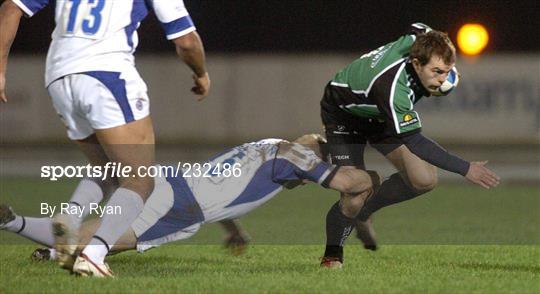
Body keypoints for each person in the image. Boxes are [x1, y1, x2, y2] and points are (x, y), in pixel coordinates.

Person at [0, 0, 211, 277]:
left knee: (107, 169)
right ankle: (94, 254)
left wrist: (1, 68)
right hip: (107, 74)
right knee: (139, 180)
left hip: (59, 77)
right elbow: (186, 41)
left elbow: (10, 8)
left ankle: (70, 219)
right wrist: (201, 73)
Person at [0, 134, 379, 277]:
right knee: (96, 241)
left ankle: (21, 228)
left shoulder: (269, 146)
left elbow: (224, 183)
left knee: (99, 227)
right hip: (181, 205)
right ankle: (33, 237)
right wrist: (374, 179)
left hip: (174, 183)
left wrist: (233, 230)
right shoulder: (298, 157)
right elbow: (348, 184)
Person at [318, 23, 500, 268]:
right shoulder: (392, 88)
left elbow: (419, 26)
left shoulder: (423, 40)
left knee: (423, 179)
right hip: (344, 116)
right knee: (353, 193)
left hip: (379, 114)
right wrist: (466, 168)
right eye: (436, 72)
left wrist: (443, 59)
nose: (442, 79)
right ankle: (332, 254)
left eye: (446, 71)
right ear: (416, 64)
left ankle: (365, 210)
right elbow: (414, 141)